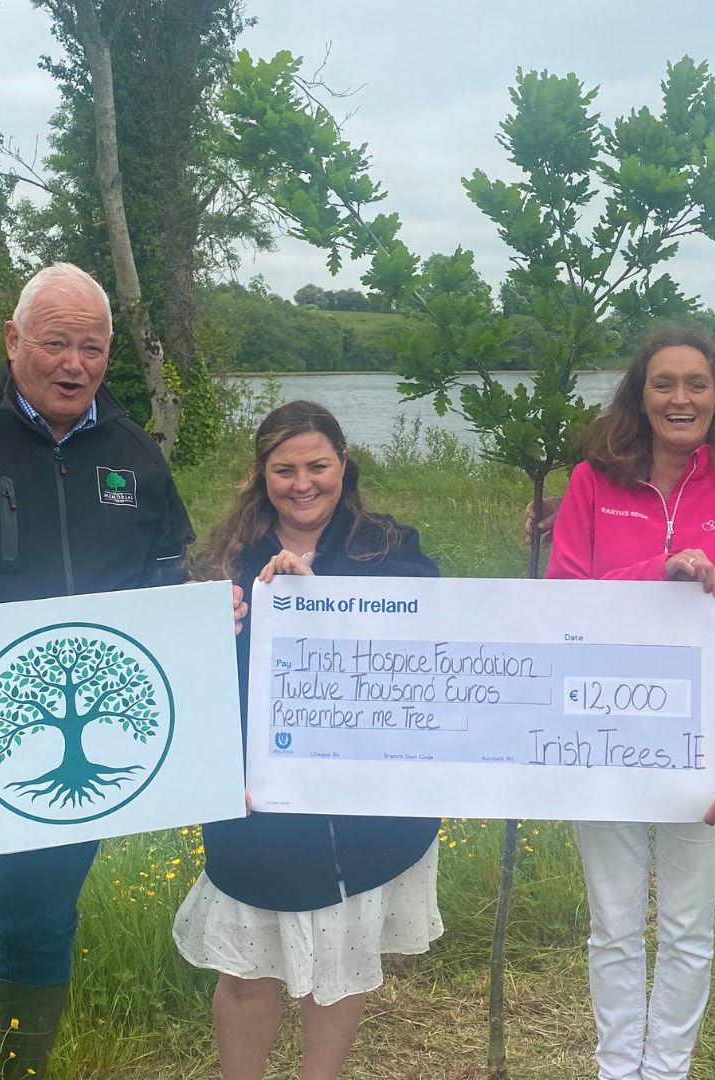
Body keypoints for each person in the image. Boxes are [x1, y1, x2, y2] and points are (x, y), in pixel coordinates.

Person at [0, 263, 198, 1080]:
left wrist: (206, 611)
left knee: (44, 920)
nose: (74, 364)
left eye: (92, 347)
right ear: (12, 341)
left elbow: (168, 576)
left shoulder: (135, 454)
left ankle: (17, 1069)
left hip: (78, 751)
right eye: (55, 343)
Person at [545, 325, 715, 1080]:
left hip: (704, 751)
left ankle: (667, 1070)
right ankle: (617, 1069)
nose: (679, 398)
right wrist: (658, 574)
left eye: (696, 384)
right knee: (612, 925)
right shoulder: (593, 483)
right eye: (663, 383)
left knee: (688, 929)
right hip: (601, 740)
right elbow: (561, 604)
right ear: (640, 394)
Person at [173, 400, 442, 1080]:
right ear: (260, 474)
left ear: (343, 464)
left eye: (317, 466)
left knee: (341, 969)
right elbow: (189, 679)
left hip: (364, 805)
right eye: (283, 470)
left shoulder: (392, 549)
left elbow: (425, 652)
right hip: (255, 799)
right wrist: (210, 624)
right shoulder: (224, 560)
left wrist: (319, 601)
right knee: (246, 975)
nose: (302, 484)